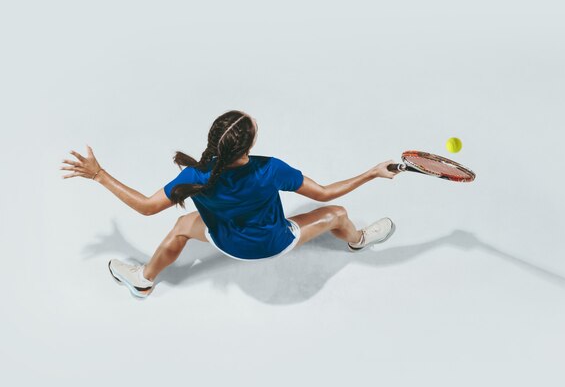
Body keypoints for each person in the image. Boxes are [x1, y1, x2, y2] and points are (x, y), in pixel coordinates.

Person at [61, 110, 400, 298]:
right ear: (248, 146)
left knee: (181, 227)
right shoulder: (270, 169)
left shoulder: (194, 175)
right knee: (337, 214)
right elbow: (325, 194)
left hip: (227, 242)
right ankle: (358, 241)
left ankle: (144, 279)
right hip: (275, 243)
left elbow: (147, 207)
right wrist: (371, 172)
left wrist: (99, 175)